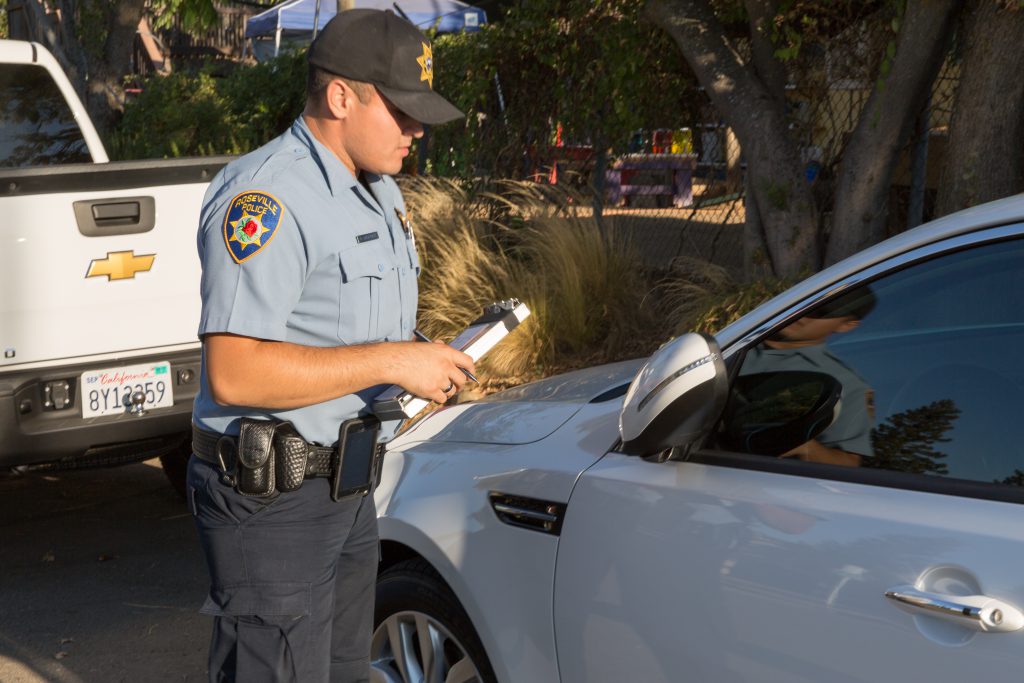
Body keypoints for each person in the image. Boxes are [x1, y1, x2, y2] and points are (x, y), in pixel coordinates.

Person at [185, 10, 474, 682]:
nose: (417, 130)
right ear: (342, 97)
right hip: (269, 502)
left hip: (346, 485)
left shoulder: (375, 189)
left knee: (344, 671)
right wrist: (393, 360)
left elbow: (345, 330)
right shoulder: (268, 198)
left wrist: (422, 360)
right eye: (402, 112)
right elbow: (233, 370)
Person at [739, 286, 877, 467]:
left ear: (847, 325)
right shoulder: (736, 339)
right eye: (805, 303)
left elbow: (850, 463)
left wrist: (808, 449)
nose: (804, 314)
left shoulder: (846, 384)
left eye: (822, 312)